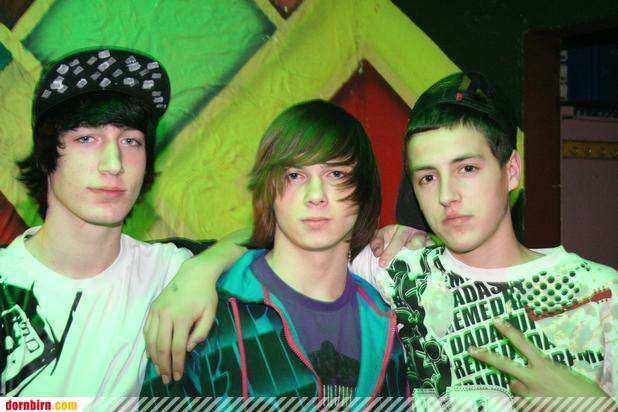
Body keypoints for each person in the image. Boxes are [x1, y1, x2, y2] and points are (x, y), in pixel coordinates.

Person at [351, 72, 617, 409]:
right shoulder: (393, 270)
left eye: (467, 169)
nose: (446, 195)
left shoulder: (601, 293)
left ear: (511, 170)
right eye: (428, 177)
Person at [0, 48, 244, 398]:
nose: (114, 163)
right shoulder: (7, 280)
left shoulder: (166, 270)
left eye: (131, 141)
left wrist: (205, 267)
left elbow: (283, 232)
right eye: (87, 138)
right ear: (47, 155)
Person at [141, 100, 408, 408]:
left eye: (336, 174)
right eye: (294, 175)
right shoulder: (206, 315)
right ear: (268, 190)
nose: (316, 196)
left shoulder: (389, 322)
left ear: (364, 191)